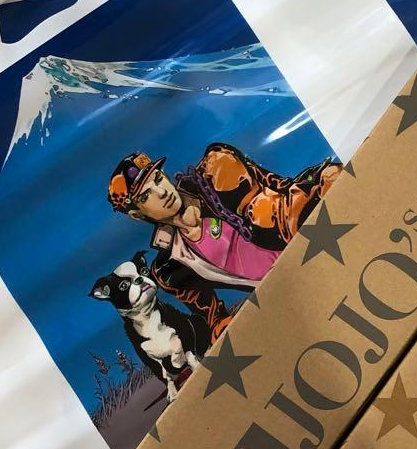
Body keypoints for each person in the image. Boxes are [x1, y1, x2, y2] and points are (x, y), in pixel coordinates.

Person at [108, 145, 341, 339]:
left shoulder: (216, 170)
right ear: (137, 215)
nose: (161, 192)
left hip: (319, 229)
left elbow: (277, 213)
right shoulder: (168, 268)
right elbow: (214, 318)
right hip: (301, 292)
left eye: (158, 178)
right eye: (146, 195)